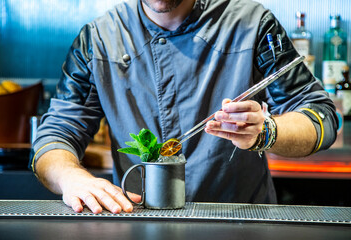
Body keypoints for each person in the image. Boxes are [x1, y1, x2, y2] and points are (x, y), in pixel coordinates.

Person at [30, 0, 338, 214]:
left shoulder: (252, 24)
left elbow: (320, 116)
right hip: (137, 221)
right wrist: (72, 178)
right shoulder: (97, 40)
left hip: (241, 222)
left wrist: (267, 132)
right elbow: (55, 135)